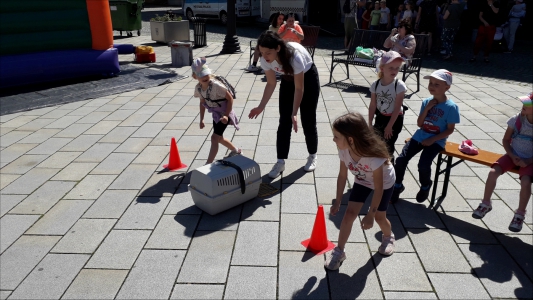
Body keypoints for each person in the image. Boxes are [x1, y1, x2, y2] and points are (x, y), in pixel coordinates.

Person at [324, 112, 396, 270]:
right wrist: (337, 201)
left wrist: (370, 214)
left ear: (350, 139)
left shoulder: (373, 157)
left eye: (336, 136)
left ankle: (388, 236)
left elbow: (378, 189)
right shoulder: (344, 150)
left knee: (379, 217)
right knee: (349, 214)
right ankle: (339, 251)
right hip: (363, 179)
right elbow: (342, 176)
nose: (333, 139)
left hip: (383, 183)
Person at [248, 31, 320, 178]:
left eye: (268, 52)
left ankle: (312, 155)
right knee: (284, 122)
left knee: (308, 120)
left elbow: (299, 88)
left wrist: (294, 112)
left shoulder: (295, 57)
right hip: (287, 80)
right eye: (261, 52)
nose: (265, 56)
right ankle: (280, 161)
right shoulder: (264, 59)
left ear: (278, 49)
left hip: (308, 79)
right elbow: (271, 83)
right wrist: (261, 106)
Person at [390, 69, 460, 203]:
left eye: (436, 84)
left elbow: (450, 130)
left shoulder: (451, 107)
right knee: (401, 160)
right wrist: (427, 108)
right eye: (431, 83)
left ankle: (425, 185)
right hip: (419, 136)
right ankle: (397, 186)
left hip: (436, 141)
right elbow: (419, 124)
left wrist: (433, 139)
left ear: (447, 87)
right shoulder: (426, 101)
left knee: (423, 165)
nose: (432, 86)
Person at [472, 92, 533, 232]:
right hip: (513, 155)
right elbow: (506, 140)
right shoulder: (516, 120)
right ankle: (485, 203)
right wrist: (512, 156)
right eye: (524, 102)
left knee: (526, 182)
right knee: (493, 172)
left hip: (529, 160)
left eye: (528, 104)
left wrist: (528, 160)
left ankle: (519, 214)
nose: (523, 105)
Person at [192, 57, 242, 164]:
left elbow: (230, 99)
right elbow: (202, 103)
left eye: (206, 74)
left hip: (224, 113)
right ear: (195, 76)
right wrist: (201, 119)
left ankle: (208, 164)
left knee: (214, 138)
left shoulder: (216, 85)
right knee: (219, 138)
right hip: (216, 114)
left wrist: (226, 115)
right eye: (201, 75)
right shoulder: (199, 88)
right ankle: (236, 151)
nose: (205, 77)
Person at [369, 51, 407, 164]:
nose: (394, 71)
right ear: (382, 68)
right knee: (376, 143)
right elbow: (372, 105)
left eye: (397, 68)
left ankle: (390, 171)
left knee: (388, 145)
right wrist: (370, 123)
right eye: (391, 68)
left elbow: (397, 108)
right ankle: (377, 168)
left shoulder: (399, 85)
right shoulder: (375, 85)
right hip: (381, 117)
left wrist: (389, 126)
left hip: (395, 119)